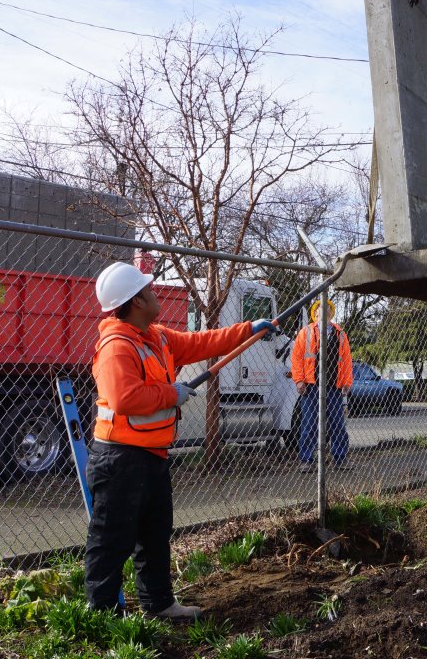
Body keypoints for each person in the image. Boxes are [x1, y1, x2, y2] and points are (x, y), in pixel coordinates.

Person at [86, 261, 275, 619]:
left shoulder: (156, 337)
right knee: (111, 541)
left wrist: (247, 329)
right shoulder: (116, 346)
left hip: (153, 456)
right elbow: (126, 398)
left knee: (155, 535)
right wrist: (170, 394)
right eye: (149, 290)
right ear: (136, 301)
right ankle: (103, 617)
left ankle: (158, 605)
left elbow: (202, 342)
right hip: (120, 460)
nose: (154, 294)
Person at [290, 298, 353, 472]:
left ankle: (340, 459)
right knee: (309, 424)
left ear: (330, 314)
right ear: (315, 313)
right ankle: (306, 460)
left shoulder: (340, 334)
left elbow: (346, 361)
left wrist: (347, 383)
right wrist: (299, 380)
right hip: (311, 386)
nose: (322, 313)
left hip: (334, 386)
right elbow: (296, 358)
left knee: (337, 424)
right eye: (319, 310)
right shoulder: (305, 333)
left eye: (326, 310)